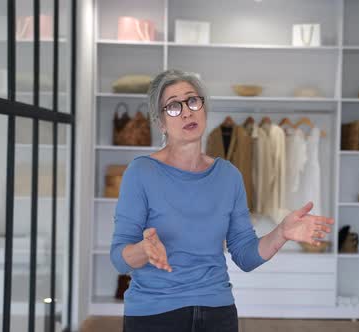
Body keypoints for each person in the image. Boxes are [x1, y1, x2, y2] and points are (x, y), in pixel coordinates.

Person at [110, 69, 334, 332]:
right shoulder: (141, 172)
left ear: (204, 108)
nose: (186, 111)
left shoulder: (228, 176)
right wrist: (143, 250)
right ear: (160, 122)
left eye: (193, 101)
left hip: (216, 313)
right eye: (173, 106)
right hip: (154, 313)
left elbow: (244, 256)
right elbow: (119, 257)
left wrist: (281, 233)